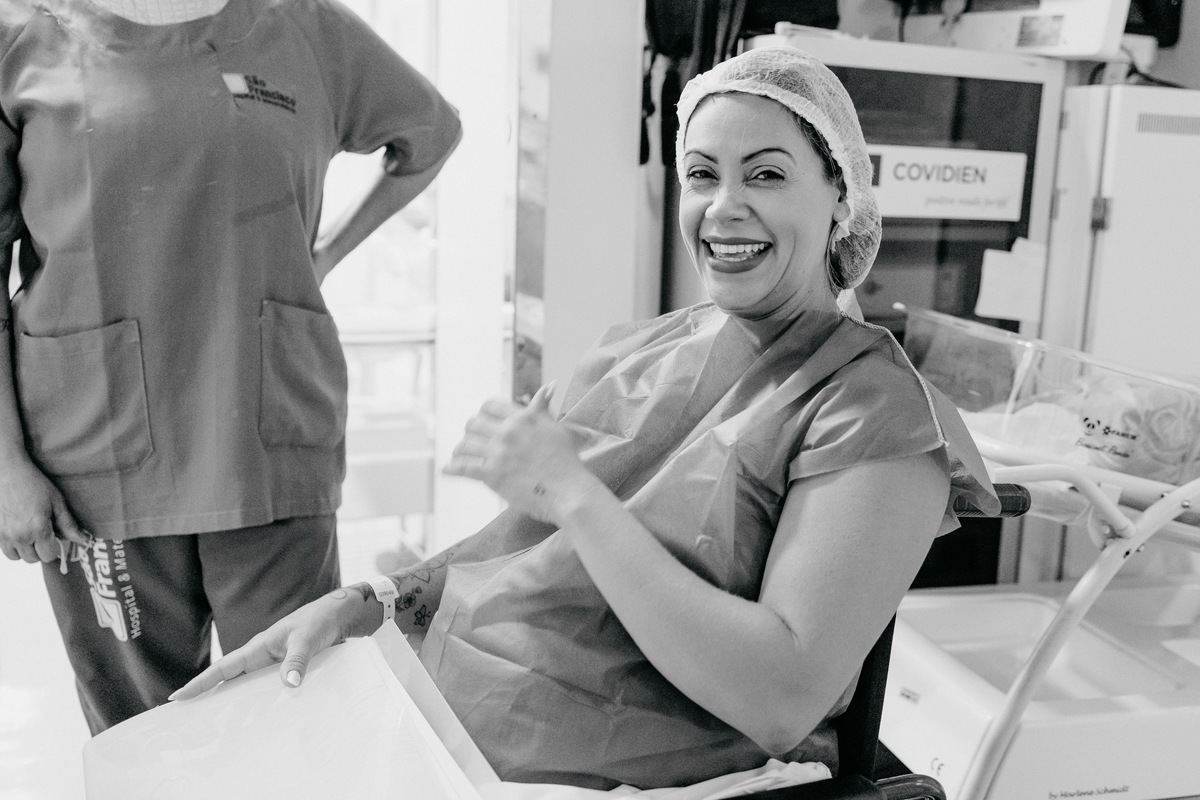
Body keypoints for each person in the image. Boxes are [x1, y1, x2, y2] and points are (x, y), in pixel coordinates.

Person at [174, 46, 998, 789]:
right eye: (703, 174)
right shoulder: (639, 351)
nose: (723, 207)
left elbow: (780, 697)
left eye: (768, 175)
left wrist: (574, 492)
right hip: (455, 732)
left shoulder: (871, 412)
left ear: (841, 198)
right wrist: (367, 601)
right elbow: (513, 545)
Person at [0, 0, 461, 733]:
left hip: (265, 437)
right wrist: (5, 462)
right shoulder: (24, 38)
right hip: (95, 449)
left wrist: (331, 251)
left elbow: (430, 132)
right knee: (139, 740)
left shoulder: (306, 29)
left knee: (289, 719)